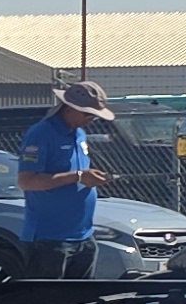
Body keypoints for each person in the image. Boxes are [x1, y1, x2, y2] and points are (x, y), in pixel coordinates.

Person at [16, 78, 120, 278]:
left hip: (84, 236)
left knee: (78, 303)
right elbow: (26, 181)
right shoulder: (41, 134)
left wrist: (90, 177)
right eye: (87, 113)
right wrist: (78, 177)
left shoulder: (79, 134)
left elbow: (78, 173)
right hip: (50, 239)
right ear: (69, 108)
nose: (91, 119)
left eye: (95, 116)